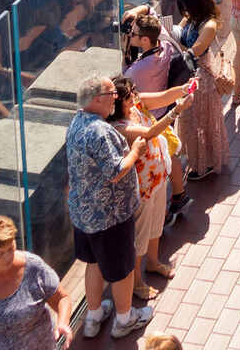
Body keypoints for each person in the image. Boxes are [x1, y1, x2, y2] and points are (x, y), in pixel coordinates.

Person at [65, 75, 153, 339]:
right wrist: (136, 150)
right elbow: (116, 171)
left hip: (84, 215)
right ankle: (124, 319)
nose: (116, 97)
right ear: (96, 99)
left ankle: (93, 316)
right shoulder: (100, 132)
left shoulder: (76, 122)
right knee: (123, 270)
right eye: (111, 93)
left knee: (93, 263)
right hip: (110, 217)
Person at [106, 73, 193, 301]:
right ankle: (137, 282)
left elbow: (164, 96)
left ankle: (153, 263)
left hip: (156, 178)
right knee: (141, 235)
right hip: (141, 187)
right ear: (119, 101)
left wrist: (183, 89)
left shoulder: (137, 104)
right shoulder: (119, 127)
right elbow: (149, 133)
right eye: (130, 93)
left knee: (156, 225)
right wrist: (177, 111)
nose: (135, 94)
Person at [0, 216, 72, 350]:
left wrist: (63, 323)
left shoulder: (33, 268)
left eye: (11, 249)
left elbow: (62, 298)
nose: (8, 257)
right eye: (0, 254)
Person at [118, 6, 191, 223]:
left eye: (134, 35)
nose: (130, 35)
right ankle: (179, 194)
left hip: (152, 115)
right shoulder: (165, 40)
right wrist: (132, 16)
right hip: (168, 106)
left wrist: (125, 51)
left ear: (145, 41)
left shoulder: (137, 70)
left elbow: (125, 85)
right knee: (171, 150)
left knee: (160, 156)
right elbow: (149, 8)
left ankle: (164, 210)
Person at [173, 0, 229, 181]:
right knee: (193, 121)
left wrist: (175, 43)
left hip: (202, 79)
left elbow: (195, 50)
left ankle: (205, 164)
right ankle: (200, 160)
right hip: (192, 77)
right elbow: (178, 31)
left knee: (202, 123)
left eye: (186, 8)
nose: (184, 13)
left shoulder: (209, 25)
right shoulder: (193, 17)